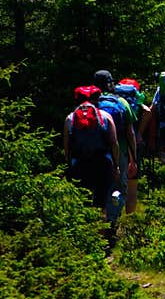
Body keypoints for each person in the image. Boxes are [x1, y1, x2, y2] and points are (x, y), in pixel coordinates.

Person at [63, 85, 120, 221]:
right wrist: (116, 165)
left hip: (80, 164)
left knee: (83, 202)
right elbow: (114, 143)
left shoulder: (70, 119)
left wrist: (69, 165)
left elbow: (66, 147)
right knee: (101, 204)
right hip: (102, 163)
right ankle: (101, 238)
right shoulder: (105, 116)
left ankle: (84, 237)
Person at [94, 70, 137, 221]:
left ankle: (97, 223)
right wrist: (134, 158)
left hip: (95, 153)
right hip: (120, 152)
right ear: (111, 84)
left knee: (98, 188)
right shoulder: (121, 102)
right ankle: (112, 222)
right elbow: (130, 133)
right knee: (118, 188)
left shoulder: (91, 104)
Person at [113, 77, 150, 213]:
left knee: (114, 184)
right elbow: (147, 111)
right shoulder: (137, 103)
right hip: (133, 145)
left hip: (115, 146)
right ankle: (130, 217)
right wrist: (140, 132)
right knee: (132, 183)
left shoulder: (116, 101)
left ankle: (111, 218)